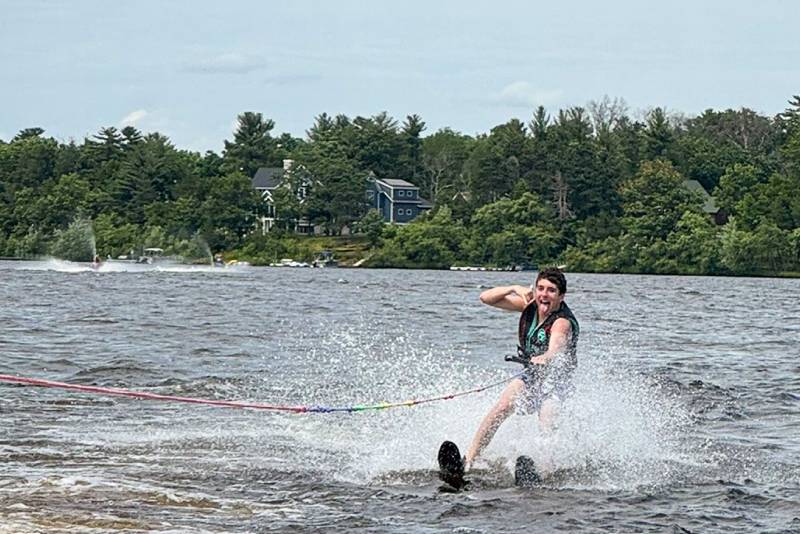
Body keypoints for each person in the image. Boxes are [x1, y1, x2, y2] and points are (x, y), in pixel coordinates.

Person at [464, 267, 579, 470]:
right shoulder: (531, 306)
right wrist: (514, 288)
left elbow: (556, 347)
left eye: (551, 290)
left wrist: (545, 357)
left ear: (561, 296)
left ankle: (545, 471)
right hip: (532, 374)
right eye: (540, 288)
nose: (544, 294)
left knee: (547, 420)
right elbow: (486, 298)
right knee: (501, 407)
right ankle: (469, 459)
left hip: (556, 381)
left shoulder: (562, 322)